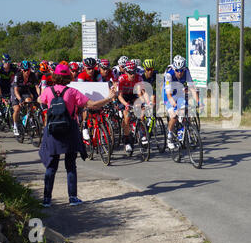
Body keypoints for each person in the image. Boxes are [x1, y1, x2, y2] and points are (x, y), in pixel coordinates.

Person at [38, 64, 116, 207]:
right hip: (70, 129)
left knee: (51, 166)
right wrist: (109, 98)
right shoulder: (73, 92)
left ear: (54, 76)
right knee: (70, 165)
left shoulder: (48, 91)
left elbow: (40, 100)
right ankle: (73, 198)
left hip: (52, 131)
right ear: (68, 76)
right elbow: (92, 105)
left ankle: (47, 199)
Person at [163, 55, 199, 149]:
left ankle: (182, 131)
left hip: (179, 91)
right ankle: (170, 136)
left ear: (184, 69)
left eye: (181, 70)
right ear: (174, 69)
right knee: (174, 115)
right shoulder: (169, 75)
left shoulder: (186, 72)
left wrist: (198, 102)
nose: (179, 73)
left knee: (184, 110)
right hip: (169, 93)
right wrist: (175, 105)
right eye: (177, 71)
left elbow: (192, 88)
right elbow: (168, 95)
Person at [117, 61, 149, 153]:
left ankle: (142, 133)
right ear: (126, 72)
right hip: (124, 97)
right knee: (127, 117)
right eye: (130, 72)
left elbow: (143, 92)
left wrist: (148, 102)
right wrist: (126, 104)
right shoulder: (122, 79)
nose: (132, 74)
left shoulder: (138, 77)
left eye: (134, 72)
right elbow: (119, 95)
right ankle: (127, 141)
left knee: (141, 113)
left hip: (134, 95)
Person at [11, 60, 40, 136]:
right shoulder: (18, 76)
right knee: (17, 109)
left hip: (24, 91)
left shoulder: (33, 75)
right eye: (25, 70)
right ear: (22, 70)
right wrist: (20, 99)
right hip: (16, 92)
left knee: (30, 102)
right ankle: (15, 125)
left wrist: (40, 95)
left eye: (29, 70)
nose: (27, 72)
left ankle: (30, 119)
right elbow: (16, 91)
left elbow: (37, 87)